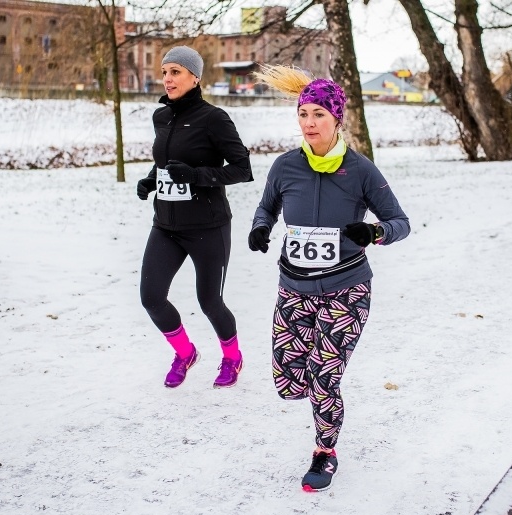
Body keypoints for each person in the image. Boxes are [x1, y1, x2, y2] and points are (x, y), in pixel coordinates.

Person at [248, 66, 410, 492]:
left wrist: (375, 232)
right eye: (303, 115)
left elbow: (400, 221)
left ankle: (325, 451)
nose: (309, 123)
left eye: (318, 114)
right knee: (287, 383)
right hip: (294, 290)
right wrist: (261, 228)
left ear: (336, 118)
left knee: (324, 377)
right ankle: (315, 397)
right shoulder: (285, 166)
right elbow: (266, 208)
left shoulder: (360, 170)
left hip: (347, 289)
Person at [137, 46, 253, 388]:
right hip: (167, 226)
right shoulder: (162, 117)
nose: (168, 78)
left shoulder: (213, 118)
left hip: (208, 226)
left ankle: (232, 357)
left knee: (210, 301)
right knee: (151, 297)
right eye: (165, 72)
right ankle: (184, 353)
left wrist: (198, 176)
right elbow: (166, 161)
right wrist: (150, 179)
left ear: (195, 77)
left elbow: (242, 169)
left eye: (176, 71)